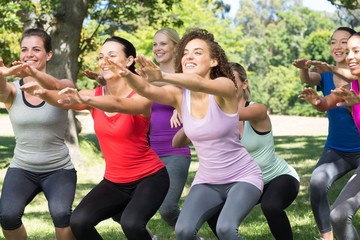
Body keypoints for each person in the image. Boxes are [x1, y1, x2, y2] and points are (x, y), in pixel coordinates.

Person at [99, 28, 264, 240]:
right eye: (186, 53)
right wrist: (125, 73)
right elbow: (148, 90)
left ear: (213, 61)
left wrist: (164, 75)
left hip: (243, 176)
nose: (189, 57)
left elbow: (201, 83)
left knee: (225, 228)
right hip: (207, 180)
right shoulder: (180, 95)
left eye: (197, 52)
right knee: (183, 231)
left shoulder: (225, 86)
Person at [20, 36, 170, 240]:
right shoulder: (94, 94)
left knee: (131, 224)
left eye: (111, 56)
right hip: (115, 181)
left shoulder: (141, 94)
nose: (104, 61)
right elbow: (64, 100)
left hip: (150, 177)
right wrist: (43, 93)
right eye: (101, 56)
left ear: (129, 61)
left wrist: (87, 98)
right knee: (79, 222)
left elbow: (118, 103)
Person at [192, 62, 299, 240]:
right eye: (222, 80)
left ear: (245, 83)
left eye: (232, 80)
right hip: (244, 182)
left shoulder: (257, 109)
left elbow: (230, 115)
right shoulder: (215, 116)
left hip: (276, 177)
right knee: (213, 211)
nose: (227, 85)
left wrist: (198, 111)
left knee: (271, 205)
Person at [0, 28, 77, 240]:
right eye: (24, 49)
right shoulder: (13, 90)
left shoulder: (63, 86)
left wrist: (35, 75)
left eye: (36, 49)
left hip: (58, 169)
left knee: (62, 215)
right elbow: (1, 90)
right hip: (22, 168)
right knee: (7, 216)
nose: (29, 54)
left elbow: (63, 89)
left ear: (48, 54)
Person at [293, 26, 360, 240]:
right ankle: (327, 236)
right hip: (338, 149)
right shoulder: (335, 80)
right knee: (324, 192)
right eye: (335, 42)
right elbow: (326, 102)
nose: (344, 51)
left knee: (341, 214)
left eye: (352, 49)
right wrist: (316, 101)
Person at [149, 28, 191, 228]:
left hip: (175, 150)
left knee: (167, 209)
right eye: (155, 44)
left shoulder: (185, 75)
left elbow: (199, 99)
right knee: (125, 206)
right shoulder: (147, 76)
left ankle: (190, 234)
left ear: (176, 47)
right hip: (148, 151)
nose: (158, 48)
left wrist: (182, 104)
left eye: (163, 44)